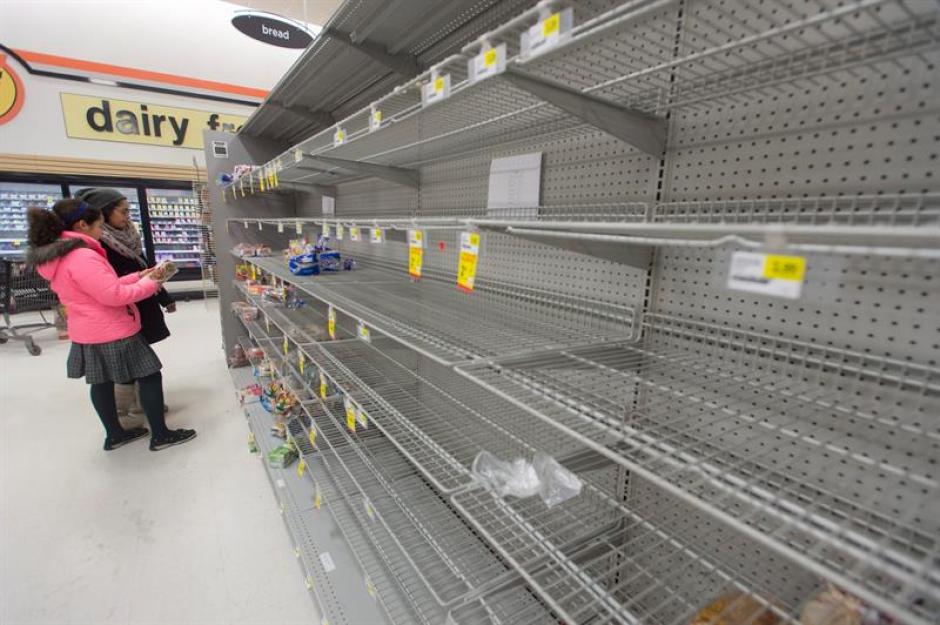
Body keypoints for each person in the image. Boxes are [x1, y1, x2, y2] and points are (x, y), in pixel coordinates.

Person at [26, 198, 196, 451]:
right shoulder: (81, 255)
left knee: (101, 381)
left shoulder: (57, 255)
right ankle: (160, 435)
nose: (101, 232)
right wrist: (152, 284)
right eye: (99, 227)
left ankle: (115, 434)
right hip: (112, 328)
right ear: (82, 225)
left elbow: (102, 286)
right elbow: (113, 296)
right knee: (149, 375)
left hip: (86, 329)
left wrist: (138, 276)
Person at [75, 188, 174, 420]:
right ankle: (130, 405)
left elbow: (142, 265)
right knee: (135, 363)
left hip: (141, 300)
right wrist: (144, 282)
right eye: (122, 211)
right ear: (103, 213)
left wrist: (163, 296)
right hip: (121, 308)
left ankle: (137, 403)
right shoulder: (95, 245)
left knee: (138, 359)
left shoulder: (128, 234)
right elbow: (109, 287)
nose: (127, 216)